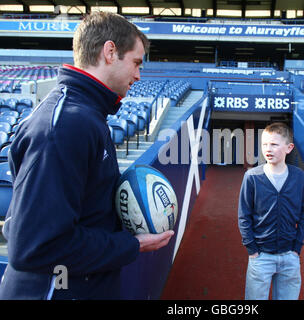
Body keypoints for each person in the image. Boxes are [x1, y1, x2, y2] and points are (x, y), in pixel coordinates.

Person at [0, 11, 174, 300]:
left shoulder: (87, 114)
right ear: (110, 52)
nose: (138, 75)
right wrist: (132, 245)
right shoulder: (66, 125)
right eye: (136, 62)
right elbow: (36, 246)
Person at [238, 122, 304, 300]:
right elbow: (244, 216)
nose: (268, 149)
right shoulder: (252, 177)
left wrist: (297, 247)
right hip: (261, 256)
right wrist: (252, 250)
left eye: (274, 144)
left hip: (290, 256)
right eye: (265, 144)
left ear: (289, 147)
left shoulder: (298, 176)